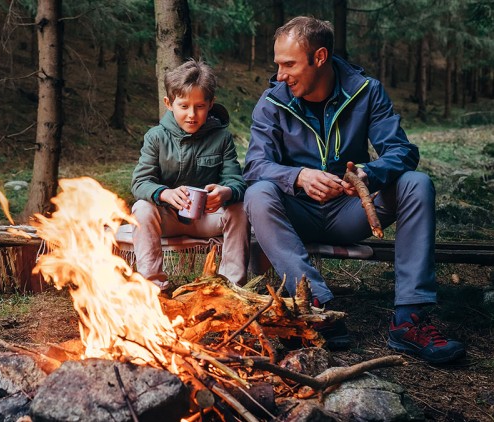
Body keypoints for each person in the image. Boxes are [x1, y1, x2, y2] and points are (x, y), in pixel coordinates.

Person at [243, 16, 465, 364]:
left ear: (319, 57)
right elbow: (255, 166)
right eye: (278, 65)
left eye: (289, 64)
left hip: (352, 212)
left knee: (416, 184)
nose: (280, 75)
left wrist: (367, 173)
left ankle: (410, 320)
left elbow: (402, 152)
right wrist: (299, 176)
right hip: (295, 215)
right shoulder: (273, 102)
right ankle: (317, 305)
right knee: (257, 194)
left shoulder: (366, 91)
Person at [131, 59, 249, 290]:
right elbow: (140, 182)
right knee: (141, 209)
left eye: (200, 107)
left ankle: (230, 287)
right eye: (184, 106)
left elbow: (236, 182)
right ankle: (153, 287)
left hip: (208, 217)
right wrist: (164, 194)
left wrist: (225, 192)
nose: (192, 115)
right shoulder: (156, 137)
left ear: (211, 103)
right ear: (169, 103)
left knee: (240, 209)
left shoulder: (221, 138)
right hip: (168, 219)